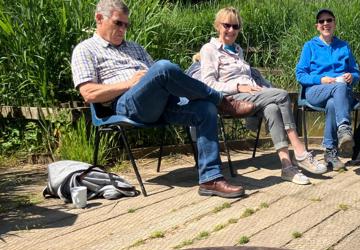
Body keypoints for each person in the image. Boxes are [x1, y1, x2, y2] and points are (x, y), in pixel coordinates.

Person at [71, 0, 254, 198]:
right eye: (118, 23)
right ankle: (223, 101)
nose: (123, 29)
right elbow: (88, 94)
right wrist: (130, 83)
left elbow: (157, 79)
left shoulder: (135, 48)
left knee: (205, 109)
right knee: (164, 67)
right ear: (99, 18)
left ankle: (211, 179)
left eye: (126, 25)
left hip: (160, 102)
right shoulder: (85, 49)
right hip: (126, 104)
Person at [197, 7, 327, 185]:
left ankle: (287, 167)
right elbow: (208, 85)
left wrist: (252, 85)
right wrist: (239, 86)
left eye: (236, 27)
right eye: (227, 25)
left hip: (253, 94)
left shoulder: (237, 50)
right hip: (232, 99)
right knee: (281, 95)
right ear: (218, 26)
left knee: (272, 108)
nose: (231, 30)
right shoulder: (209, 49)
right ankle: (300, 151)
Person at [295, 8, 360, 170]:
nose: (326, 24)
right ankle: (344, 128)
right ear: (317, 26)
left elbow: (355, 72)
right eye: (322, 21)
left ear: (334, 24)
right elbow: (300, 74)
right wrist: (320, 79)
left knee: (333, 103)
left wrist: (352, 77)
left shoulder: (343, 46)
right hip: (315, 90)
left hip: (339, 93)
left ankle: (330, 152)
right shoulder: (310, 46)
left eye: (329, 20)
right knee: (339, 87)